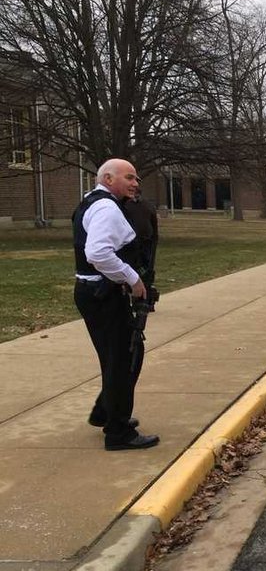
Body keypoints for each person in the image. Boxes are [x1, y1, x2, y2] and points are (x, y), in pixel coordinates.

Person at [72, 159, 160, 451]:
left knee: (115, 357)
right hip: (103, 293)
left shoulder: (91, 201)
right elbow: (98, 252)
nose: (136, 183)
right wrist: (133, 280)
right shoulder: (107, 208)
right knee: (126, 357)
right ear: (108, 178)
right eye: (129, 177)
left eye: (136, 178)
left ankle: (107, 411)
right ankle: (118, 432)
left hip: (92, 292)